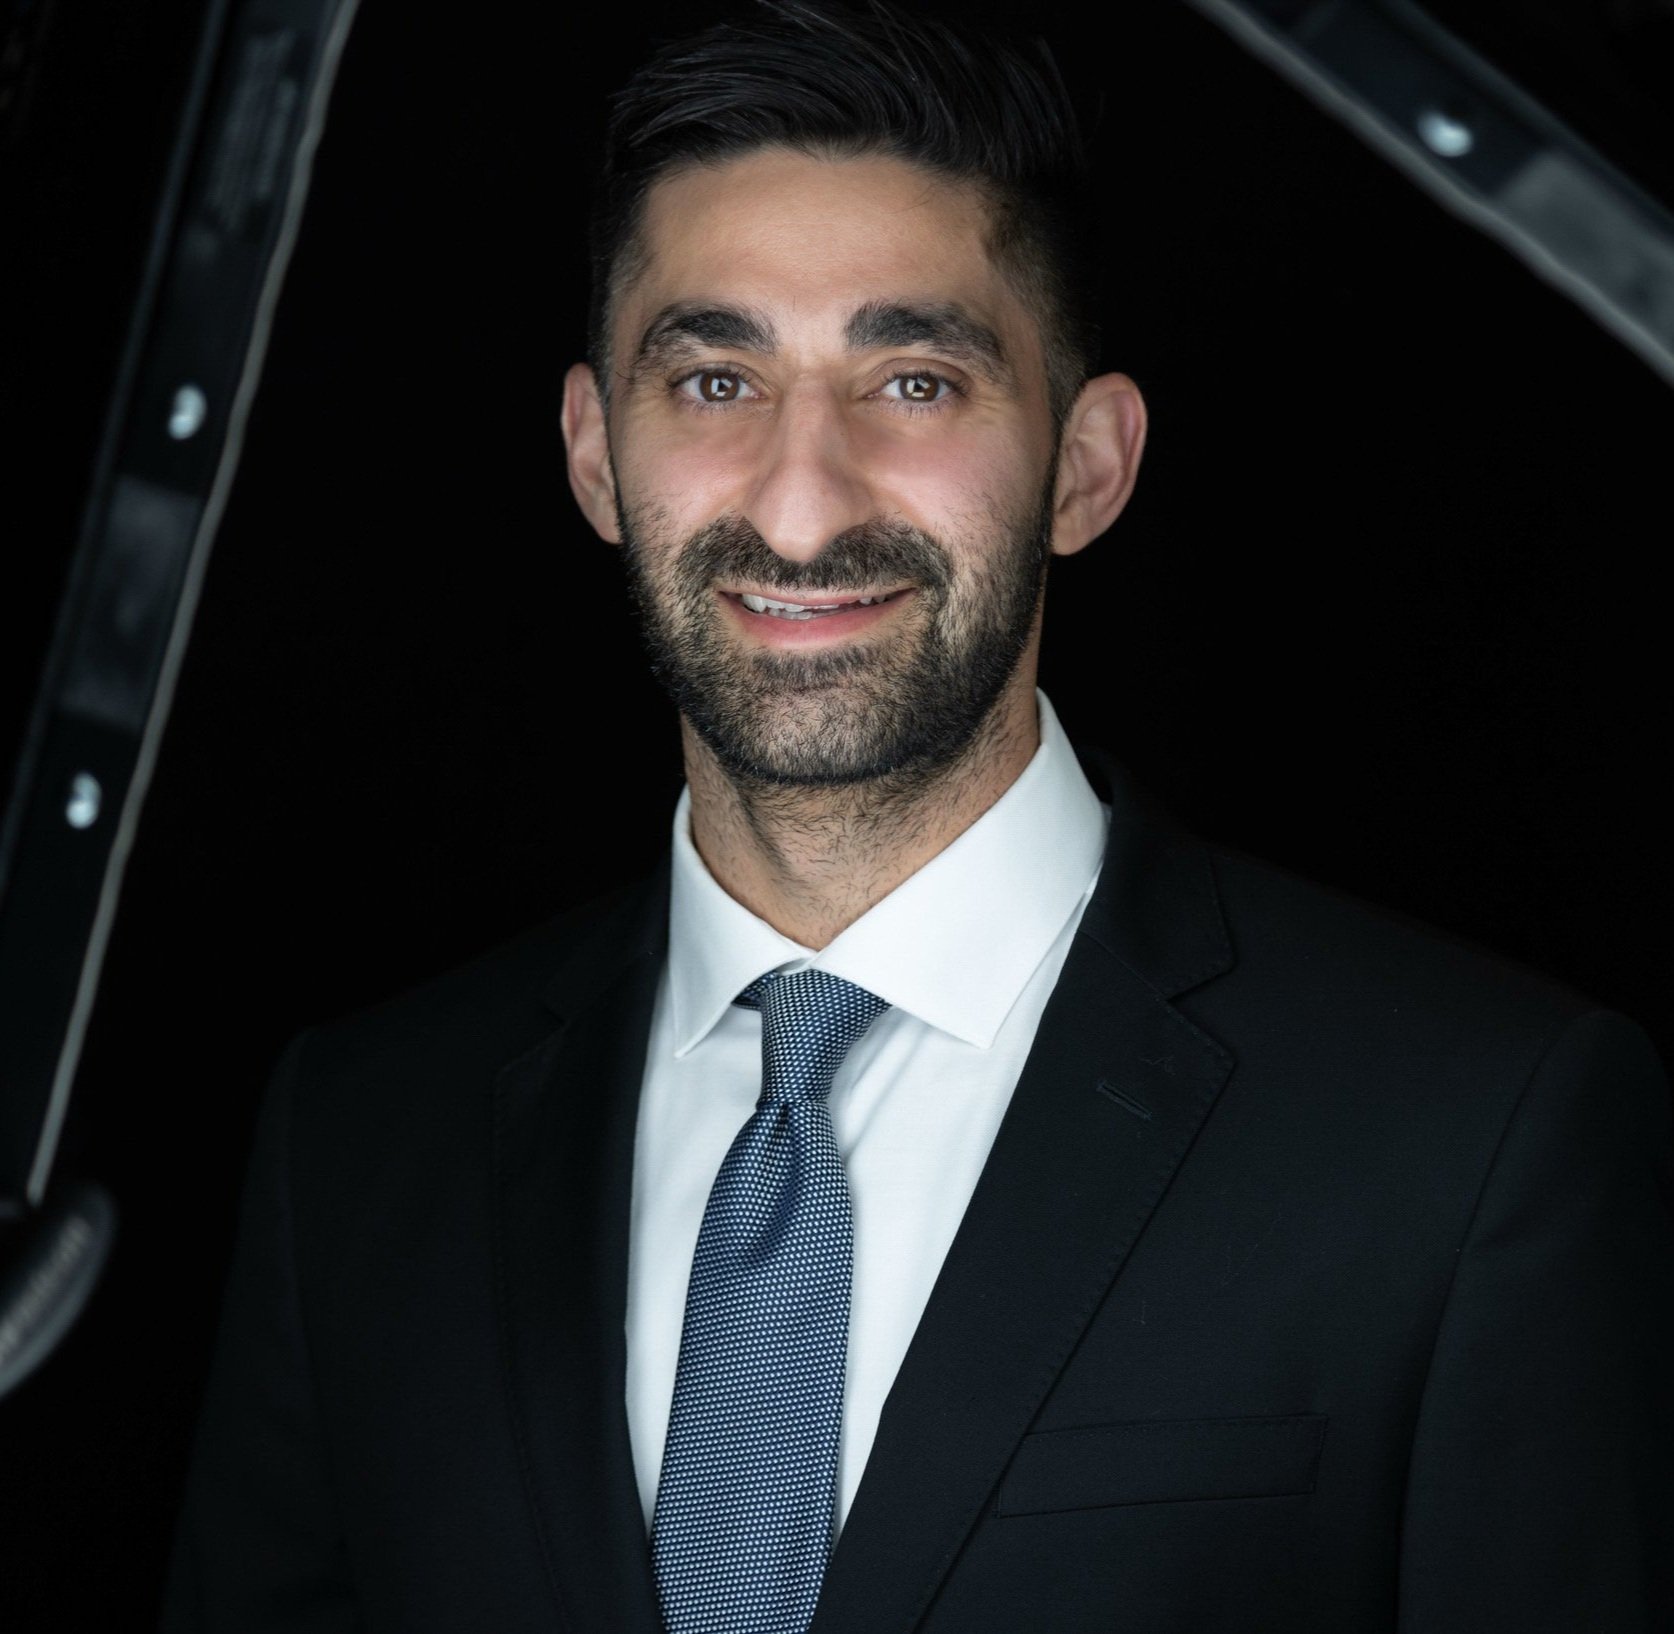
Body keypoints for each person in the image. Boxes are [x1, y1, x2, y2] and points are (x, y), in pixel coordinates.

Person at [162, 3, 1674, 1630]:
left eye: (913, 379)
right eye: (717, 376)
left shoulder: (1471, 1140)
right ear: (597, 455)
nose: (801, 499)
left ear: (1085, 465)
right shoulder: (362, 1145)